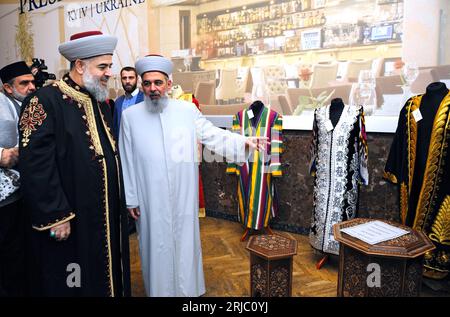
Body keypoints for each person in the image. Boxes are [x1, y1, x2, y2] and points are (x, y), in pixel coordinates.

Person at [119, 54, 266, 297]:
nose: (153, 88)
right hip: (149, 196)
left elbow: (212, 134)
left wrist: (244, 142)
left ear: (168, 83)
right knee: (154, 246)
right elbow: (126, 158)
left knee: (185, 242)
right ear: (141, 85)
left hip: (182, 193)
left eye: (158, 82)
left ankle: (187, 291)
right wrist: (131, 198)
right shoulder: (130, 117)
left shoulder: (187, 110)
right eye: (147, 83)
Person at [18, 31, 131, 296]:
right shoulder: (43, 101)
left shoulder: (99, 100)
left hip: (103, 213)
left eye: (109, 66)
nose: (108, 73)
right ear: (79, 65)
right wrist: (57, 216)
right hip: (72, 215)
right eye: (102, 66)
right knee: (75, 277)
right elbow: (34, 164)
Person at [384, 82, 450, 279]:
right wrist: (393, 170)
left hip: (444, 181)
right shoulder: (411, 105)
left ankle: (437, 268)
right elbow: (400, 140)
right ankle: (411, 262)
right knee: (410, 220)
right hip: (412, 178)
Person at [309, 98, 368, 268]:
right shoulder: (319, 113)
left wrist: (363, 172)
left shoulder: (356, 113)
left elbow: (362, 144)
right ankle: (322, 248)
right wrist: (313, 166)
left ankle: (342, 251)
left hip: (346, 178)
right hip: (322, 178)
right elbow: (314, 142)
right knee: (321, 213)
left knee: (343, 214)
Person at [0, 61, 36, 296]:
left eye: (32, 81)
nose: (32, 87)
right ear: (8, 88)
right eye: (25, 83)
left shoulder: (31, 105)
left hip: (24, 195)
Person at [113, 66, 144, 140]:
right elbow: (115, 128)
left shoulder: (145, 99)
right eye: (124, 78)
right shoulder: (118, 102)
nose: (127, 81)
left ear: (137, 79)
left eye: (131, 77)